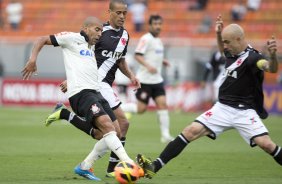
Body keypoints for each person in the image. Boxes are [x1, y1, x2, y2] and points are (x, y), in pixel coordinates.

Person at [136, 15, 281, 179]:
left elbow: (270, 68)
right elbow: (222, 50)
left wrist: (273, 56)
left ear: (239, 39)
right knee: (190, 131)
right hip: (222, 108)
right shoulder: (231, 53)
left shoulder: (254, 57)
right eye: (224, 42)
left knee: (267, 145)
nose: (224, 46)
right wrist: (218, 35)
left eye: (228, 42)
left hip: (244, 112)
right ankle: (154, 166)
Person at [21, 16, 136, 181]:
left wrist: (71, 80)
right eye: (97, 30)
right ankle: (129, 163)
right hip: (82, 94)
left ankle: (83, 166)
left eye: (101, 32)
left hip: (96, 92)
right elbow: (41, 39)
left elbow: (83, 68)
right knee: (107, 127)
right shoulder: (72, 38)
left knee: (110, 133)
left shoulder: (91, 47)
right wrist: (32, 59)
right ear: (86, 28)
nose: (99, 34)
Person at [121, 15, 174, 143]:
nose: (158, 26)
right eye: (155, 24)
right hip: (145, 81)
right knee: (141, 109)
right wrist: (148, 66)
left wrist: (163, 61)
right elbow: (138, 55)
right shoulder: (146, 39)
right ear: (150, 25)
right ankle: (119, 108)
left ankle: (165, 135)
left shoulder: (159, 41)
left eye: (159, 24)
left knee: (162, 105)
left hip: (157, 80)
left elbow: (154, 56)